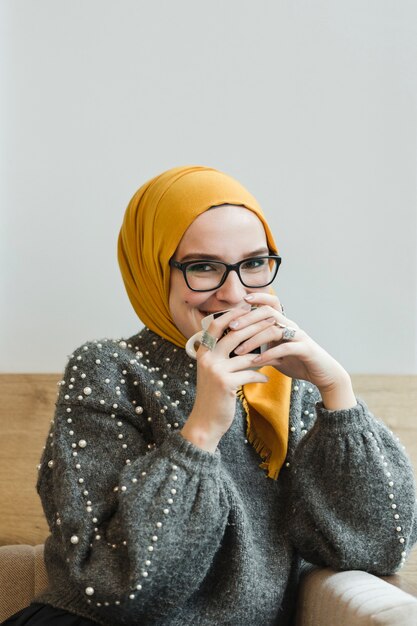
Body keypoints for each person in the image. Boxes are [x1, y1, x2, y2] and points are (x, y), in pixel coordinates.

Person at [5, 165, 416, 626]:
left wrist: (337, 394)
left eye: (255, 263)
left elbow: (381, 545)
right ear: (151, 270)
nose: (233, 292)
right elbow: (121, 587)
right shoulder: (108, 370)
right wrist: (201, 429)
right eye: (202, 267)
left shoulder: (289, 387)